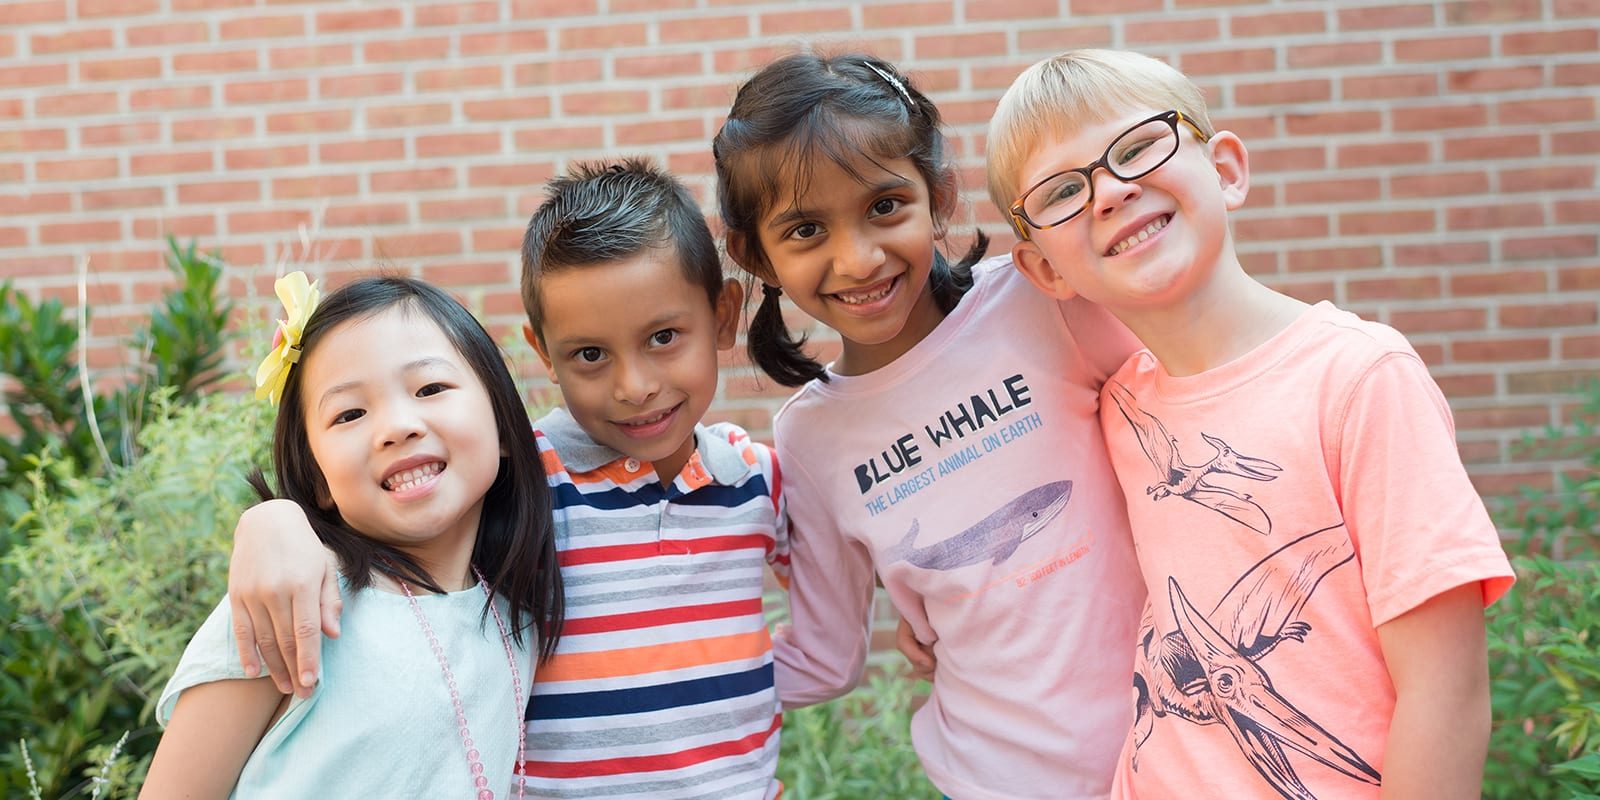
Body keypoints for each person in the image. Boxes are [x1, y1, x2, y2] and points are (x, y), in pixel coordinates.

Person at [988, 49, 1516, 799]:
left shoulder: (1360, 377)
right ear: (1046, 271)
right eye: (1063, 192)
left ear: (1227, 170)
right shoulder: (1119, 410)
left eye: (1138, 147)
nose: (1110, 190)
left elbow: (1448, 694)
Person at [224, 159, 791, 799]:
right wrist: (271, 520)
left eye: (663, 336)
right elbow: (396, 509)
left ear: (722, 317)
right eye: (591, 354)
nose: (636, 386)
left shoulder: (757, 480)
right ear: (544, 353)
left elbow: (852, 571)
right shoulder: (520, 474)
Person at [713, 52, 1146, 799]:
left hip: (1186, 755)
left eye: (885, 206)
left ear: (938, 194)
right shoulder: (809, 441)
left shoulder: (1043, 298)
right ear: (755, 255)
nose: (857, 258)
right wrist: (657, 675)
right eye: (807, 229)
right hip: (991, 783)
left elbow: (1192, 430)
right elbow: (823, 657)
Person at [142, 274, 564, 799]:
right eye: (350, 414)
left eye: (430, 388)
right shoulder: (292, 600)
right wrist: (270, 518)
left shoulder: (513, 616)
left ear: (503, 424)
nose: (397, 426)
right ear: (318, 478)